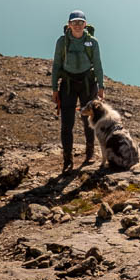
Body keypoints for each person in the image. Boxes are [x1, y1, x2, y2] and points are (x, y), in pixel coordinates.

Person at [51, 10, 105, 172]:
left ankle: (90, 153)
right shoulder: (62, 42)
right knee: (67, 123)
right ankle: (67, 160)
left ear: (85, 24)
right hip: (68, 84)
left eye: (80, 22)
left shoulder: (92, 42)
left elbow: (98, 65)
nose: (77, 25)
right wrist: (54, 89)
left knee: (88, 120)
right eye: (74, 22)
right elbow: (56, 66)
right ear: (69, 25)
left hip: (88, 83)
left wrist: (101, 87)